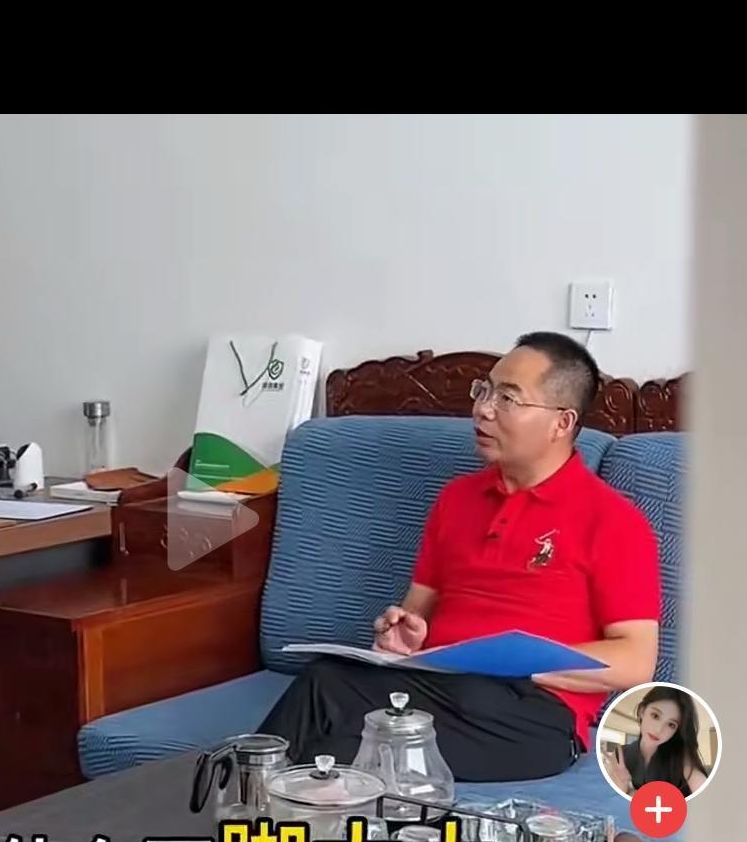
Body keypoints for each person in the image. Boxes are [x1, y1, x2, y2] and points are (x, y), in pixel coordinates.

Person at [258, 333, 661, 785]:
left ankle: (263, 812)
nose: (483, 409)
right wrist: (403, 636)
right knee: (324, 681)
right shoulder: (457, 499)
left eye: (508, 398)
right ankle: (235, 804)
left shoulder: (613, 521)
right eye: (484, 390)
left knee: (339, 749)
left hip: (530, 714)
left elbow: (635, 661)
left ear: (561, 423)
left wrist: (510, 661)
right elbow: (415, 612)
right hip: (438, 685)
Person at [602, 686, 710, 798]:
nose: (658, 730)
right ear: (642, 711)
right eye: (655, 716)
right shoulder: (621, 754)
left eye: (671, 725)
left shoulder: (681, 758)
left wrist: (629, 792)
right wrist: (621, 789)